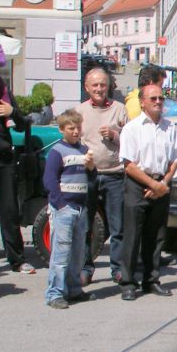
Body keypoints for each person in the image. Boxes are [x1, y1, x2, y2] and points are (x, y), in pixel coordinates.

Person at [118, 83, 177, 300]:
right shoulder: (132, 128)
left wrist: (162, 184)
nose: (158, 102)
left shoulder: (170, 127)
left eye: (161, 98)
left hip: (161, 185)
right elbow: (129, 164)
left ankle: (151, 280)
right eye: (153, 98)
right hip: (137, 186)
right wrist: (152, 185)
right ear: (142, 102)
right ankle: (128, 283)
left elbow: (175, 159)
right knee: (132, 236)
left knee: (156, 237)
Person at [77, 67, 127, 285]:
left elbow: (132, 140)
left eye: (103, 84)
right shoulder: (79, 111)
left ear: (109, 86)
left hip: (115, 175)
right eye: (94, 85)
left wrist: (115, 135)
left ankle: (117, 268)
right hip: (87, 175)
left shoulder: (120, 109)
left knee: (118, 227)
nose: (99, 89)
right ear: (86, 88)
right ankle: (85, 268)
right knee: (85, 226)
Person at [43, 110, 96, 309]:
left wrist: (91, 168)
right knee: (61, 254)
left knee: (77, 253)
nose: (75, 131)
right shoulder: (57, 151)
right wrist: (61, 205)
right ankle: (54, 293)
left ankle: (74, 289)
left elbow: (92, 179)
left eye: (78, 127)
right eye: (71, 128)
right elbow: (49, 180)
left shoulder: (83, 150)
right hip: (65, 207)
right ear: (62, 130)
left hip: (81, 208)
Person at [0, 59, 33, 275]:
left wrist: (12, 111)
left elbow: (23, 125)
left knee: (9, 213)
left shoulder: (4, 95)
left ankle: (17, 260)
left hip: (4, 162)